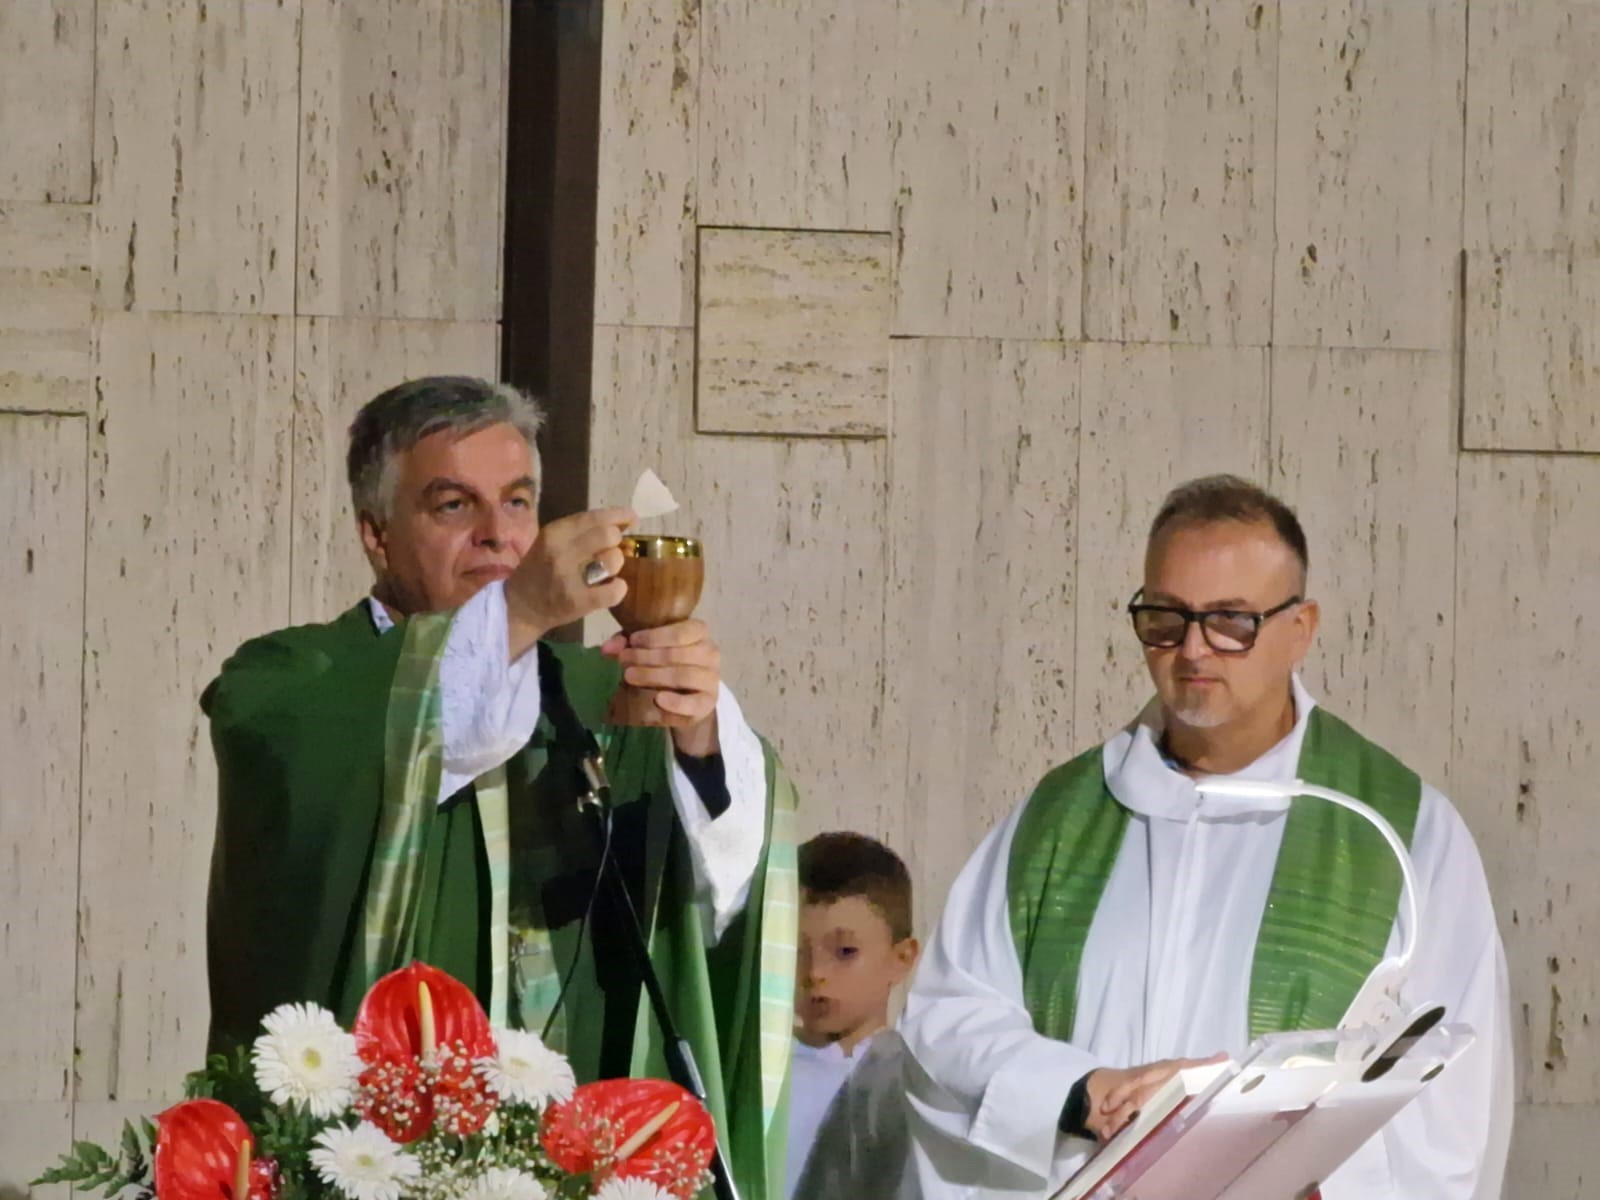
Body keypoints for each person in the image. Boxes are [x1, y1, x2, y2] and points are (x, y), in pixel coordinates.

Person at [202, 376, 797, 1198]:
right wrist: (519, 610)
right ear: (376, 534)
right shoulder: (291, 681)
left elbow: (723, 881)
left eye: (517, 503)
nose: (496, 534)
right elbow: (404, 735)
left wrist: (698, 737)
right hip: (373, 1164)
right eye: (454, 506)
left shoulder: (600, 692)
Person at [900, 475, 1512, 1200]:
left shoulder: (1399, 832)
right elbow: (947, 1018)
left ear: (1300, 628)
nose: (1193, 649)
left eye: (1230, 621)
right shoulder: (1058, 821)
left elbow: (1450, 1105)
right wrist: (1082, 1091)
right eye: (1165, 617)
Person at [787, 833, 919, 1200]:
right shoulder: (754, 1077)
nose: (815, 973)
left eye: (845, 952)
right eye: (795, 951)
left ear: (901, 959)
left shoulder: (922, 1084)